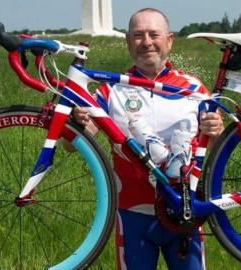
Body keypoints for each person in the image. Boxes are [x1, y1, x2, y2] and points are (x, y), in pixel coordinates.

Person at [71, 8, 224, 270]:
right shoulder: (111, 90)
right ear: (128, 41)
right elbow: (72, 145)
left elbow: (218, 145)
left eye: (154, 34)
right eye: (138, 35)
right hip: (132, 214)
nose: (147, 42)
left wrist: (218, 130)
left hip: (183, 210)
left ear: (170, 39)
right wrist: (77, 124)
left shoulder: (195, 89)